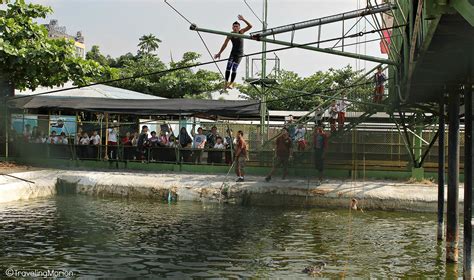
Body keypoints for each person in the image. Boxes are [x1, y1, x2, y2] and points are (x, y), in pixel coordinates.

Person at [214, 15, 252, 89]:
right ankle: (226, 83)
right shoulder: (230, 34)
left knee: (234, 68)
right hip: (233, 53)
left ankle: (231, 83)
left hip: (239, 54)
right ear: (232, 27)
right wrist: (219, 53)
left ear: (239, 28)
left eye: (237, 26)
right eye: (234, 26)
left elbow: (250, 26)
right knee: (228, 67)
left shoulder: (241, 32)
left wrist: (243, 19)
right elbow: (225, 44)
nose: (235, 28)